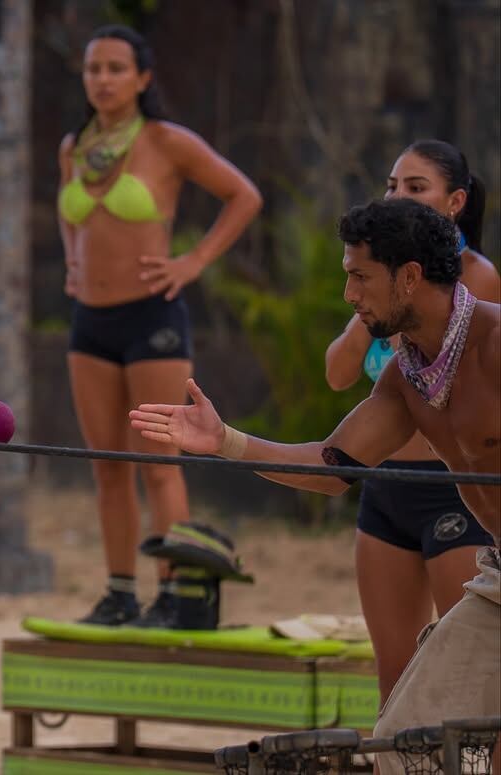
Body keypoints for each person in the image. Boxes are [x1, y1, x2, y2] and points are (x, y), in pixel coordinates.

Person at [130, 197, 499, 774]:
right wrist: (226, 441)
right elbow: (332, 468)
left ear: (408, 277)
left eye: (359, 277)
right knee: (408, 741)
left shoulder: (496, 342)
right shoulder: (406, 375)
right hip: (499, 582)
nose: (349, 295)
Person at [58, 24, 262, 626]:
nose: (103, 78)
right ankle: (120, 591)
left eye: (116, 68)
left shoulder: (167, 141)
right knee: (107, 466)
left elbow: (243, 195)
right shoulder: (73, 146)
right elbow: (71, 214)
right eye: (94, 68)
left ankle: (174, 592)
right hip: (89, 323)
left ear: (143, 78)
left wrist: (193, 261)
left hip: (152, 317)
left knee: (158, 460)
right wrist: (73, 257)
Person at [323, 140, 499, 704]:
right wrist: (370, 304)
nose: (399, 196)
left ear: (455, 202)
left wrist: (392, 291)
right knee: (397, 699)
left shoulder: (478, 294)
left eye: (415, 187)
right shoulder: (376, 291)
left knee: (469, 703)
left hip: (452, 496)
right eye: (392, 186)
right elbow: (336, 378)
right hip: (385, 489)